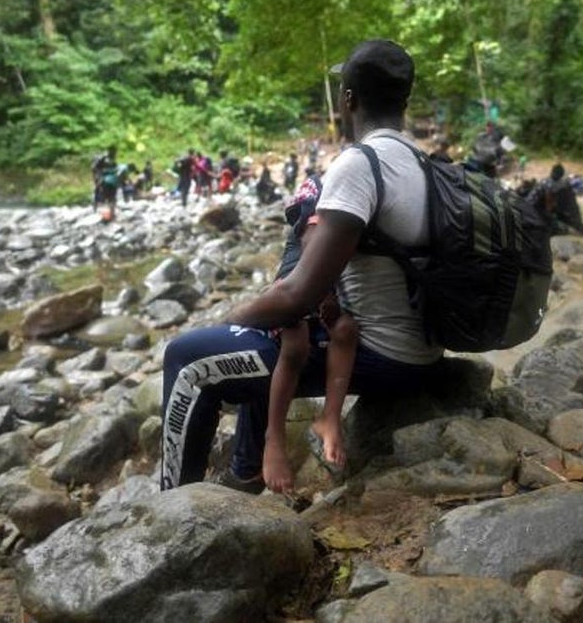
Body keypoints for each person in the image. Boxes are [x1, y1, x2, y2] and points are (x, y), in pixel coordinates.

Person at [160, 39, 444, 494]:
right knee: (267, 333)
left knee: (187, 356)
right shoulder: (422, 163)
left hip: (382, 355)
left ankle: (172, 503)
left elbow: (298, 295)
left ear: (347, 100)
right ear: (404, 104)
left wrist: (229, 318)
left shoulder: (359, 165)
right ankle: (246, 470)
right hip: (422, 350)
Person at [262, 174, 358, 493]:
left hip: (330, 282)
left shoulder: (364, 192)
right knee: (295, 342)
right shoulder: (319, 189)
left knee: (345, 330)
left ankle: (330, 419)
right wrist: (321, 292)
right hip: (295, 282)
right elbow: (309, 239)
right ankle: (274, 437)